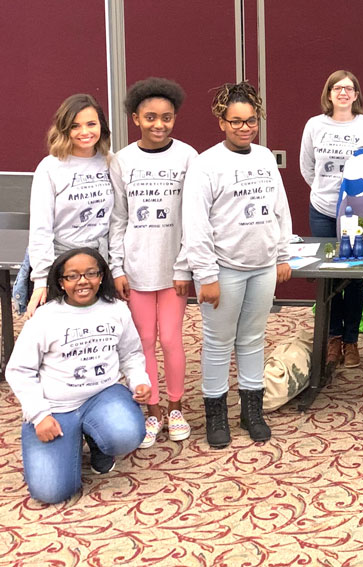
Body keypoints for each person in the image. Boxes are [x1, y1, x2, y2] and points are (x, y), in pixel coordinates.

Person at [183, 81, 293, 449]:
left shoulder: (263, 157)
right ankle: (216, 416)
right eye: (236, 121)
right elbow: (195, 225)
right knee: (217, 343)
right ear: (221, 122)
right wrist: (206, 276)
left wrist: (282, 255)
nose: (244, 128)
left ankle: (251, 410)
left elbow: (280, 208)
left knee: (252, 339)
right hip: (223, 270)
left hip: (262, 267)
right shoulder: (206, 164)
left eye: (250, 121)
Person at [5, 248, 150, 503]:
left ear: (102, 276)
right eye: (72, 276)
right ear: (61, 282)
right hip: (55, 407)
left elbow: (131, 354)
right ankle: (70, 436)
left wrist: (139, 381)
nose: (83, 281)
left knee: (126, 433)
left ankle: (97, 441)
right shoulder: (44, 317)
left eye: (90, 273)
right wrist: (39, 416)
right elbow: (19, 370)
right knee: (50, 493)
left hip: (102, 395)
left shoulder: (117, 309)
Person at [109, 78, 198, 448]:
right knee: (143, 341)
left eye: (166, 117)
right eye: (150, 117)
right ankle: (153, 411)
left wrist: (184, 266)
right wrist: (116, 267)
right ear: (135, 118)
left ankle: (176, 407)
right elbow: (118, 218)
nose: (159, 124)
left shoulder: (189, 157)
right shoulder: (122, 159)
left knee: (172, 340)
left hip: (173, 270)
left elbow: (194, 219)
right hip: (136, 270)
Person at [300, 70, 363, 368]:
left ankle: (352, 341)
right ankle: (333, 338)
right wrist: (329, 194)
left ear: (357, 94)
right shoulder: (314, 125)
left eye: (349, 88)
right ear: (329, 93)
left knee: (354, 277)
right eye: (338, 88)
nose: (344, 93)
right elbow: (307, 167)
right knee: (329, 277)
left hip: (357, 212)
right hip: (322, 210)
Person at [26, 94, 113, 319]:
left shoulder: (110, 161)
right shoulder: (50, 167)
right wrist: (41, 280)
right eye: (75, 126)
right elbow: (41, 227)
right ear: (65, 129)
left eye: (91, 124)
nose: (85, 132)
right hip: (62, 263)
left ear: (101, 126)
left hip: (100, 262)